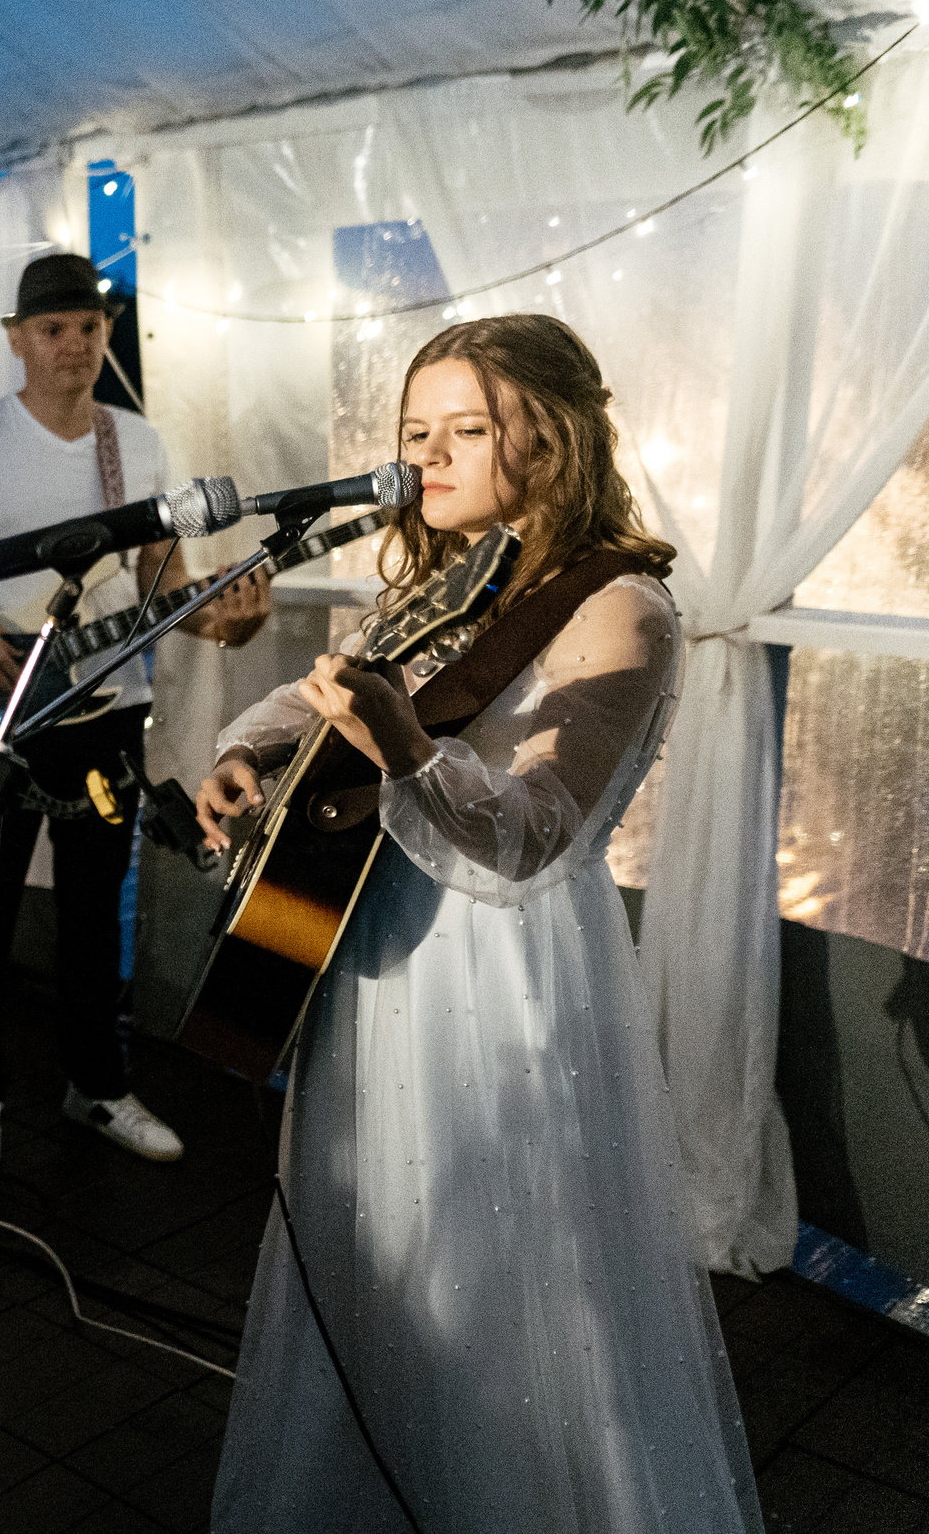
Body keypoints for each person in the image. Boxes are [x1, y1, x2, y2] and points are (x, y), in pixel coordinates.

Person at [195, 315, 760, 1530]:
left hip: (498, 972)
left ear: (547, 441)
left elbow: (536, 833)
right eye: (415, 433)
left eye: (467, 430)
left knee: (496, 1274)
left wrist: (406, 749)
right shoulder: (452, 578)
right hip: (378, 954)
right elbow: (309, 698)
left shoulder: (622, 608)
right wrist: (244, 752)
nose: (428, 458)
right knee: (377, 1249)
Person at [0, 251, 270, 1170]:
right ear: (17, 340)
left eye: (89, 327)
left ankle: (96, 1083)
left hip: (107, 709)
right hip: (0, 714)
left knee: (96, 912)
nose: (74, 345)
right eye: (52, 329)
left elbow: (161, 584)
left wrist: (223, 621)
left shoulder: (138, 443)